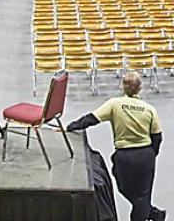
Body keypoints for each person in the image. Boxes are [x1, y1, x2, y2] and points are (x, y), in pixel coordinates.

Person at [67, 72, 166, 221]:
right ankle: (153, 214)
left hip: (124, 155)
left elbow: (92, 118)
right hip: (145, 155)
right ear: (140, 88)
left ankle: (150, 213)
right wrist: (152, 154)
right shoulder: (150, 109)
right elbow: (157, 137)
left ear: (122, 86)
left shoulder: (114, 104)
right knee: (142, 195)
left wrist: (71, 127)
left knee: (124, 188)